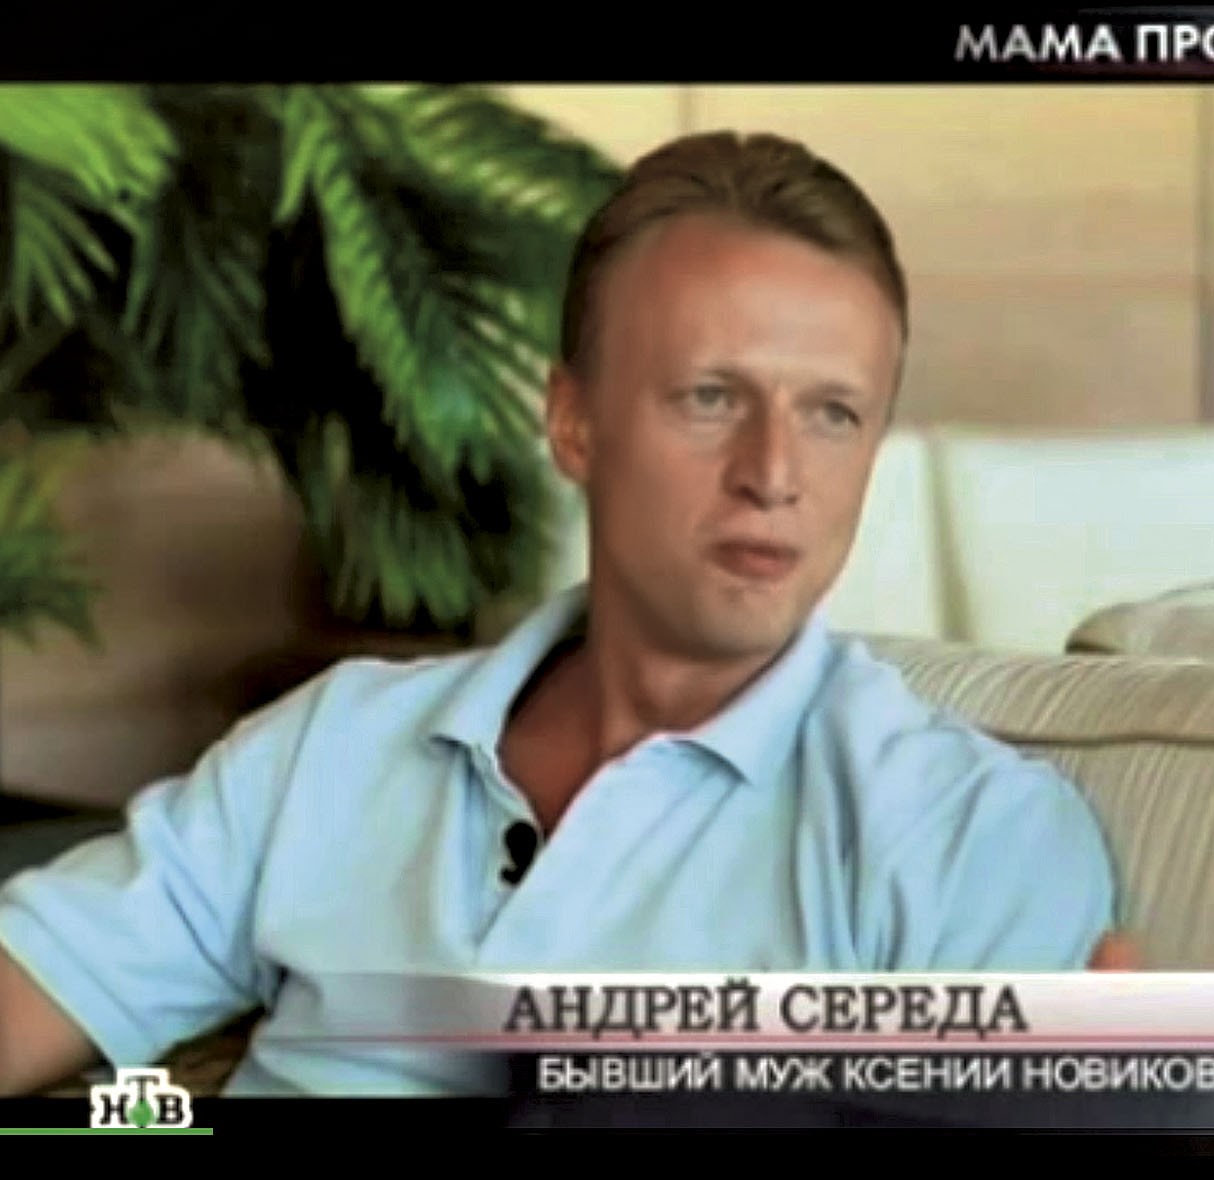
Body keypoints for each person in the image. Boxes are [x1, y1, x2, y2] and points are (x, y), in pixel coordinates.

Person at [0, 130, 1130, 1098]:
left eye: (833, 413)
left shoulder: (966, 840)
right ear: (574, 422)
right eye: (712, 397)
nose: (774, 472)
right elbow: (35, 990)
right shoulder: (332, 747)